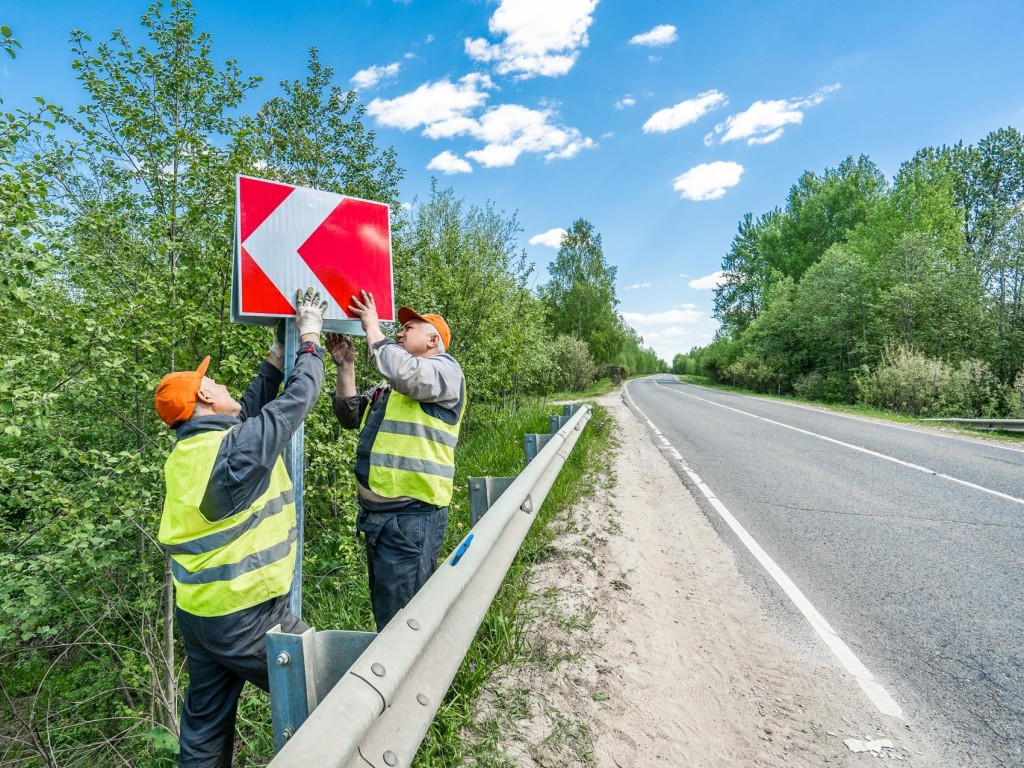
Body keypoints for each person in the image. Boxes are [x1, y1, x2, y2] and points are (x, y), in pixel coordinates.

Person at [154, 287, 327, 768]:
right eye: (217, 384)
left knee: (205, 732)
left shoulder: (193, 453)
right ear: (206, 396)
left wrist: (278, 352)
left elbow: (250, 409)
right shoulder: (237, 453)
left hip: (199, 615)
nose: (226, 387)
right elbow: (301, 396)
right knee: (332, 689)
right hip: (247, 619)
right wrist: (308, 336)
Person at [327, 290, 465, 632]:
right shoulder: (393, 385)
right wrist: (347, 366)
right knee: (388, 616)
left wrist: (373, 326)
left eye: (408, 328)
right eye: (398, 328)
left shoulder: (446, 372)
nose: (400, 332)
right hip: (382, 521)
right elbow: (348, 414)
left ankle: (415, 684)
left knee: (403, 625)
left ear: (433, 339)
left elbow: (403, 372)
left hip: (412, 519)